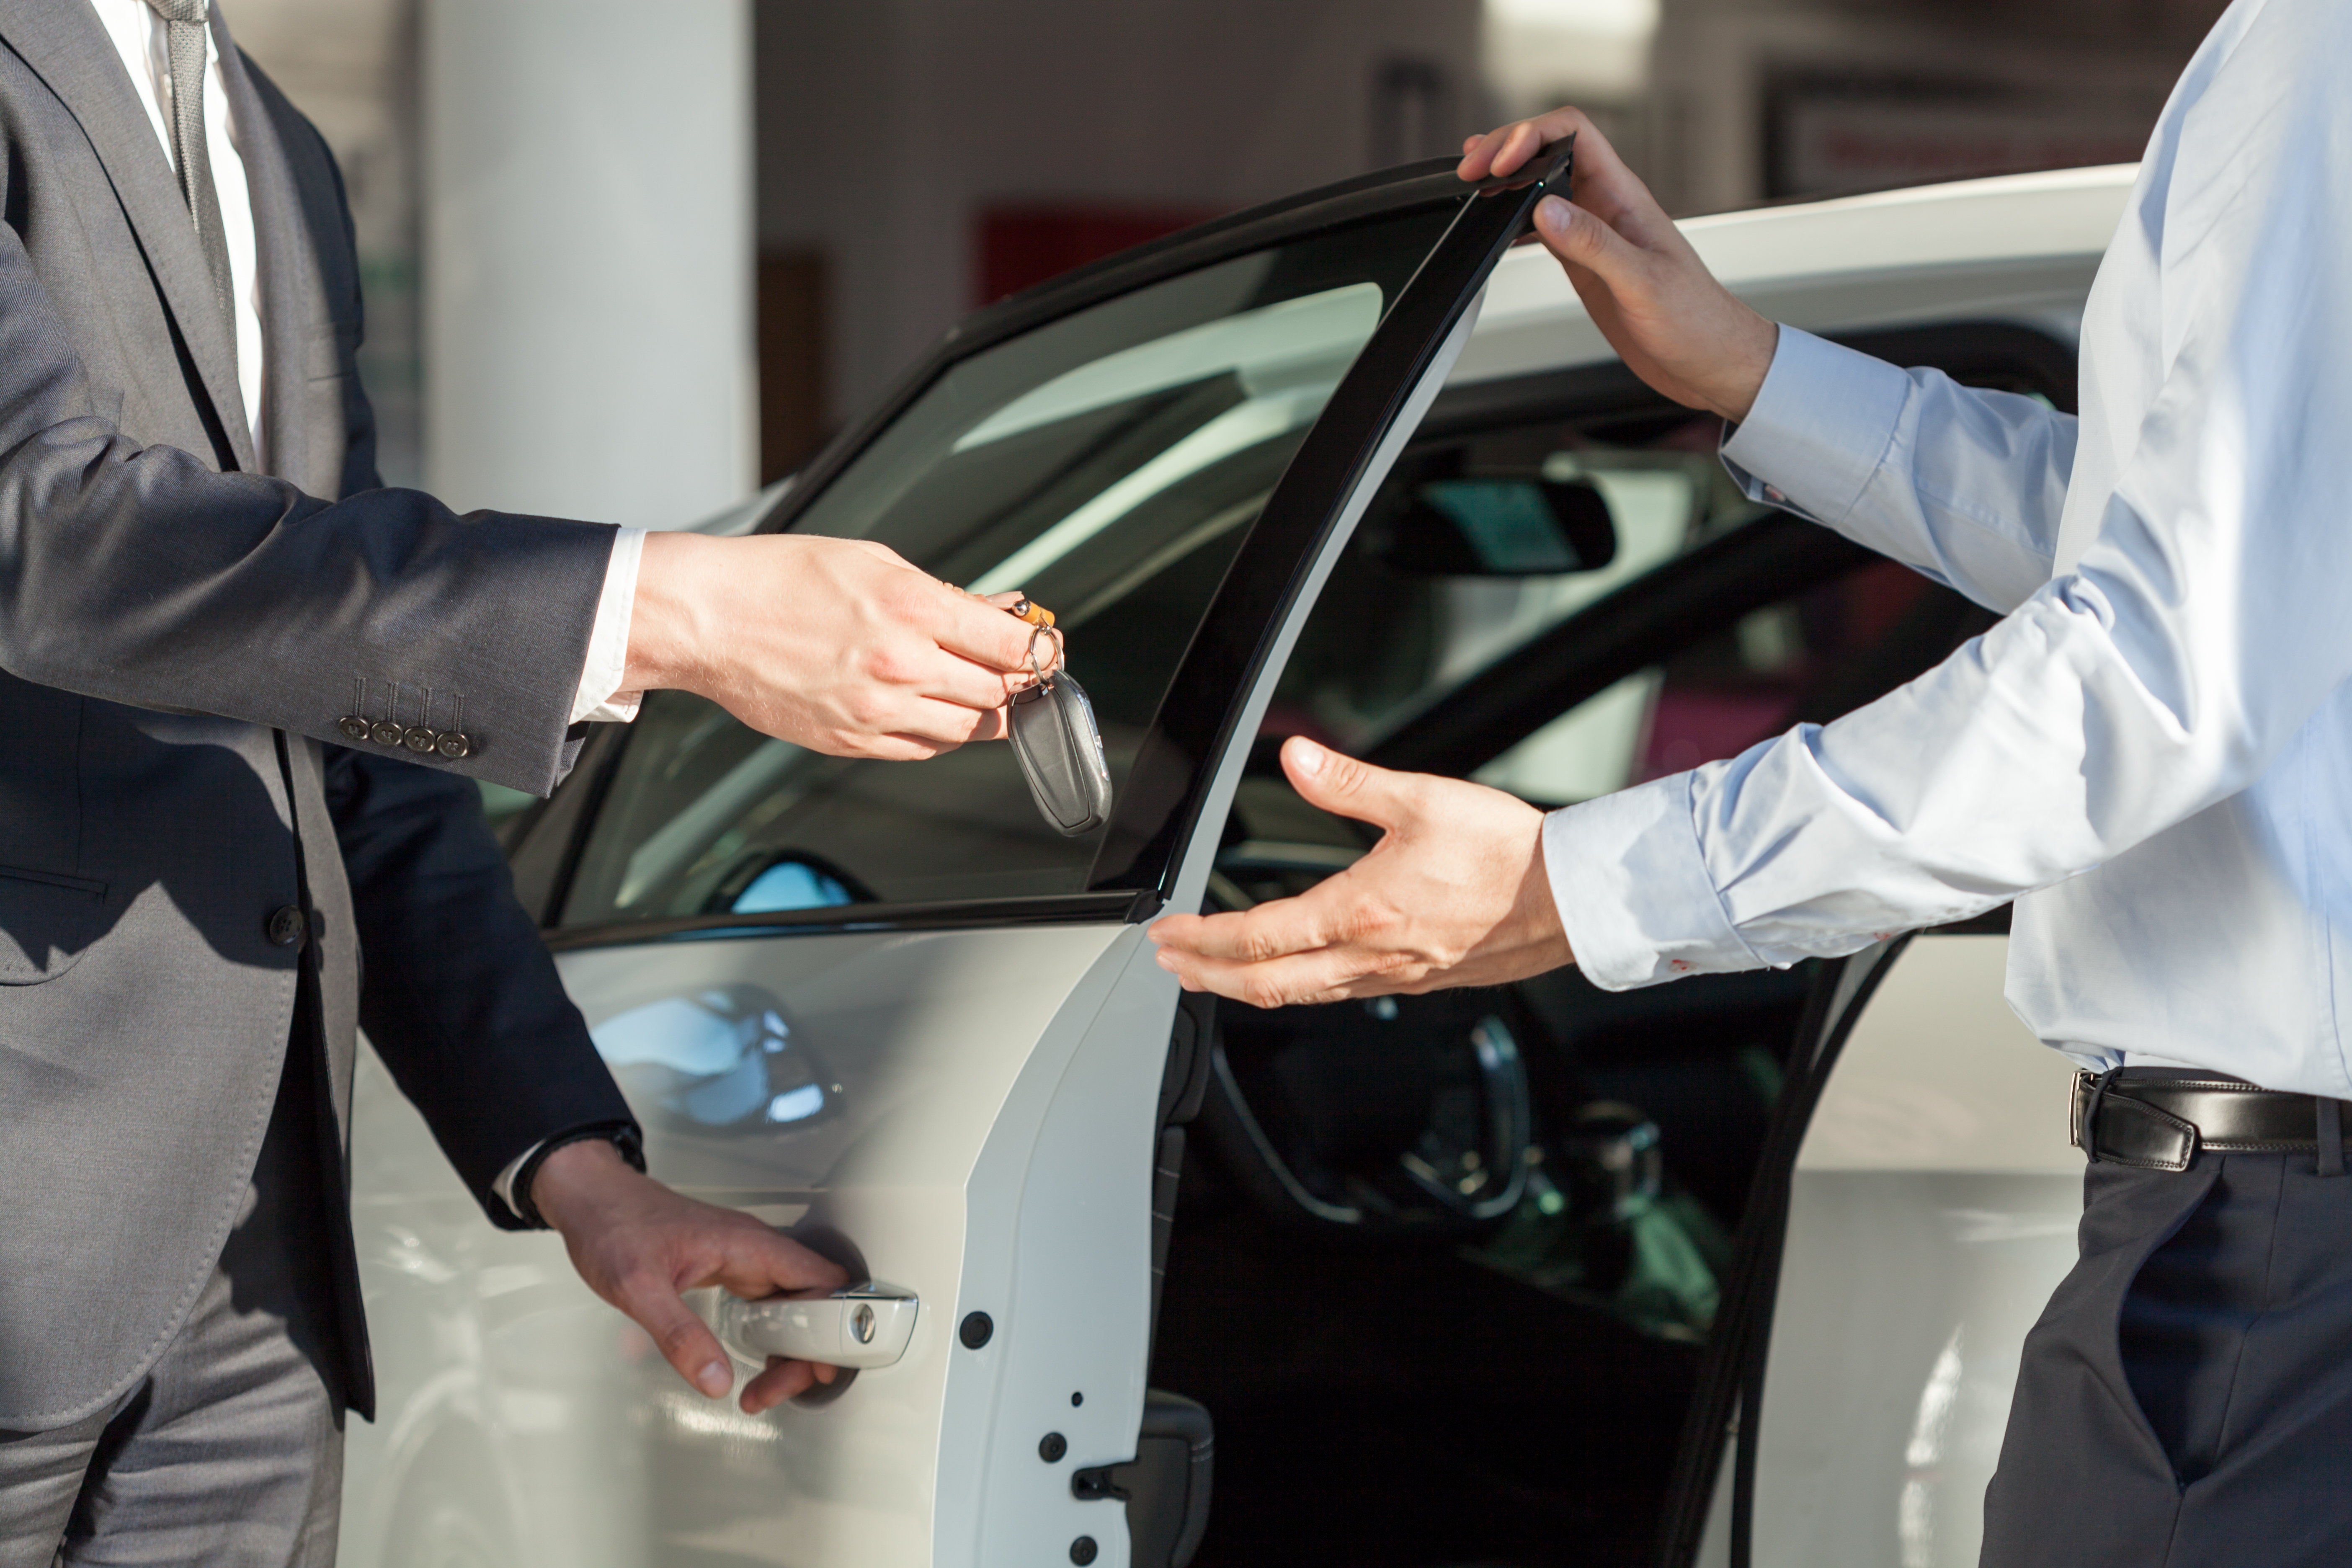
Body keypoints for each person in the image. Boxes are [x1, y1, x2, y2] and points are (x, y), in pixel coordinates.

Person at [1152, 2, 2352, 1561]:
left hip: (2270, 1250)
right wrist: (1754, 373)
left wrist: (1582, 887)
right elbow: (2207, 554)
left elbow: (2163, 657)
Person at [0, 2, 1039, 1562]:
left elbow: (332, 719)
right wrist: (663, 608)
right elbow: (50, 540)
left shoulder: (273, 139)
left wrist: (575, 1168)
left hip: (261, 1307)